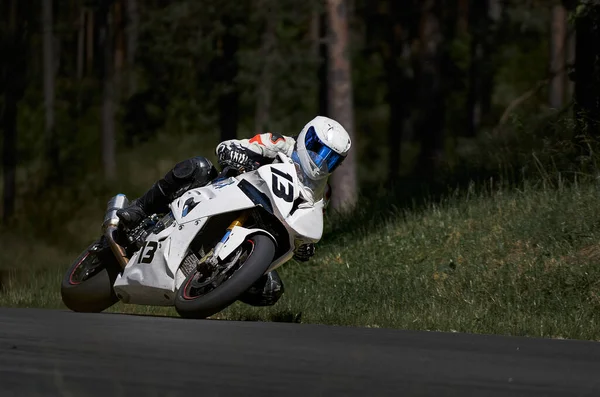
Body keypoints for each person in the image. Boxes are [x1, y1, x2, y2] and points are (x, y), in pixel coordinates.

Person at [116, 115, 352, 306]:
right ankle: (139, 210)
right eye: (318, 150)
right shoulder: (280, 143)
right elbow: (235, 146)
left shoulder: (323, 193)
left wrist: (305, 246)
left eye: (330, 159)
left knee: (271, 291)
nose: (320, 161)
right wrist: (236, 153)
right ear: (306, 139)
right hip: (223, 196)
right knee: (197, 167)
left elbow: (308, 223)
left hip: (258, 231)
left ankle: (213, 286)